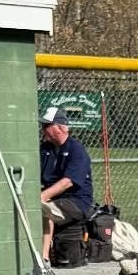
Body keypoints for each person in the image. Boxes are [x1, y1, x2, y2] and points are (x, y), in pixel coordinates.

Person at [38, 106, 93, 260]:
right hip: (53, 197)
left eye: (47, 126)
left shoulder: (77, 150)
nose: (43, 129)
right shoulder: (45, 149)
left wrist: (41, 196)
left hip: (76, 201)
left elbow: (68, 182)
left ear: (60, 128)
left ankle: (44, 259)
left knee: (45, 210)